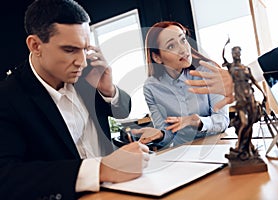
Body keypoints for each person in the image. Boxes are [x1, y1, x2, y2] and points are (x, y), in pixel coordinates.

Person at [0, 0, 157, 199]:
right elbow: (6, 177)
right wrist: (100, 169)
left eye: (84, 48)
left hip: (126, 189)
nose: (81, 61)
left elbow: (122, 111)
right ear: (35, 45)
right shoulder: (7, 97)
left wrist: (108, 89)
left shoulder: (88, 75)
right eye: (70, 50)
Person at [142, 21, 230, 147]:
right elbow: (167, 134)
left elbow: (222, 120)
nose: (183, 49)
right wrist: (160, 135)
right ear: (157, 58)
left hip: (215, 144)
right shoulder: (151, 88)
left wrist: (197, 121)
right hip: (183, 150)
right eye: (171, 46)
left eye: (183, 40)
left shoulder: (208, 71)